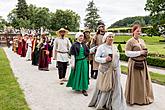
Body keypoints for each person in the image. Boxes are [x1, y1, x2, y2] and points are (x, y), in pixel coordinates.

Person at [88, 32, 126, 110]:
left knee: (115, 88)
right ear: (105, 38)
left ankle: (114, 104)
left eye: (112, 37)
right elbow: (96, 58)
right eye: (109, 37)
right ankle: (102, 104)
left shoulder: (115, 47)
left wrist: (118, 71)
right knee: (105, 88)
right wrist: (105, 59)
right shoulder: (101, 47)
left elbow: (117, 60)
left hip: (115, 71)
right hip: (104, 71)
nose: (111, 38)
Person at [125, 24, 154, 105]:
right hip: (134, 64)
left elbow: (144, 49)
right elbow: (127, 53)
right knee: (136, 82)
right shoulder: (130, 41)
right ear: (133, 31)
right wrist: (140, 52)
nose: (139, 32)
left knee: (143, 81)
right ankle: (135, 99)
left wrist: (145, 53)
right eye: (137, 31)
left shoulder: (142, 41)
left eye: (140, 31)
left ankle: (144, 98)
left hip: (143, 63)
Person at [66, 32, 89, 96]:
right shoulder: (74, 45)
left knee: (84, 74)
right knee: (78, 74)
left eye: (82, 36)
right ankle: (78, 86)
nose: (81, 38)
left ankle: (84, 88)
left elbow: (87, 52)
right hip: (78, 62)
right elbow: (72, 55)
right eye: (80, 36)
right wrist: (72, 63)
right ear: (77, 37)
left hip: (84, 61)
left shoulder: (84, 45)